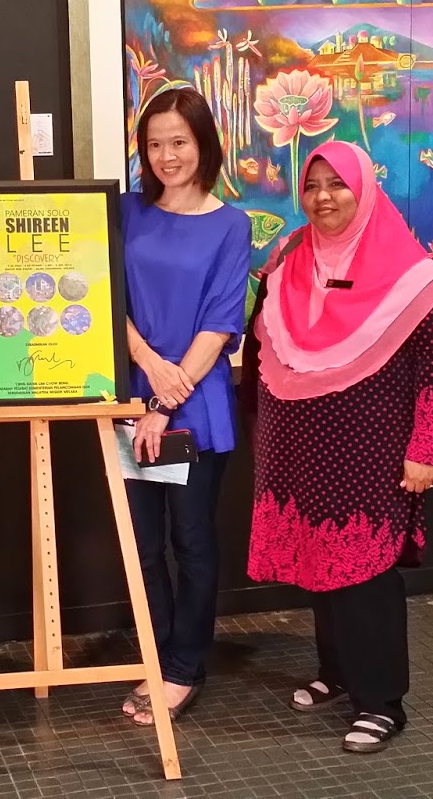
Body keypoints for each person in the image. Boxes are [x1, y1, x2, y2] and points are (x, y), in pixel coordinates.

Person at [242, 140, 433, 753]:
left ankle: (381, 701)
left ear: (364, 191)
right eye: (312, 186)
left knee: (365, 570)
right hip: (297, 444)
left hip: (372, 450)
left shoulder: (416, 278)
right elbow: (259, 346)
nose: (323, 197)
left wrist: (426, 450)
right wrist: (261, 430)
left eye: (337, 184)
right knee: (319, 563)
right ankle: (337, 673)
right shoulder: (290, 257)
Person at [118, 86, 251, 727]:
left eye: (179, 142)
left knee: (191, 540)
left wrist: (166, 401)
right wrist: (148, 369)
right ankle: (156, 653)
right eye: (155, 144)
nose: (167, 155)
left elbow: (221, 324)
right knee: (141, 545)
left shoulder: (231, 225)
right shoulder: (125, 212)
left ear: (204, 145)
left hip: (196, 406)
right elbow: (103, 299)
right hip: (132, 395)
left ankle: (184, 667)